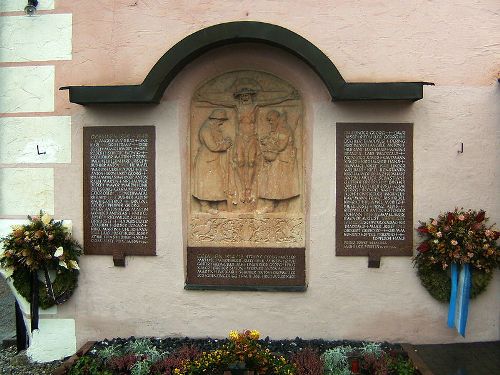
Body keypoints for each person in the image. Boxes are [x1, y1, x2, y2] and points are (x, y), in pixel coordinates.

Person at [196, 77, 298, 207]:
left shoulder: (255, 106)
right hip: (240, 137)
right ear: (239, 97)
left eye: (247, 95)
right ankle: (242, 190)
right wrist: (204, 98)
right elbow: (221, 101)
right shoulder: (237, 106)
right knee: (239, 162)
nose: (245, 97)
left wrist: (288, 96)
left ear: (251, 96)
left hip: (252, 137)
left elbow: (271, 100)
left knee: (252, 162)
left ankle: (249, 189)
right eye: (242, 95)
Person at [258, 110, 299, 213]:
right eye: (269, 121)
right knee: (272, 181)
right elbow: (274, 140)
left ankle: (278, 205)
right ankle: (270, 205)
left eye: (271, 120)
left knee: (280, 184)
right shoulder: (276, 129)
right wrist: (267, 140)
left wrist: (268, 143)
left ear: (277, 118)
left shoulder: (284, 129)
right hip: (276, 159)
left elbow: (281, 146)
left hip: (283, 160)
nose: (270, 122)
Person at [192, 109, 232, 214]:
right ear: (215, 119)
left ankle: (216, 204)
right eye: (220, 121)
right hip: (206, 161)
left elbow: (218, 140)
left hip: (214, 160)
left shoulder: (214, 129)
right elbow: (213, 146)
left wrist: (225, 141)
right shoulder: (206, 130)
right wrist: (225, 145)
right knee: (206, 183)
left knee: (215, 182)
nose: (222, 123)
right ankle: (205, 206)